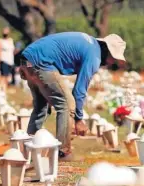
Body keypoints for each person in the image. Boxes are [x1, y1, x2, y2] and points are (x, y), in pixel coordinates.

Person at [18, 32, 126, 161]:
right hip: (41, 63)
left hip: (27, 61)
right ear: (107, 51)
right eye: (113, 58)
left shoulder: (89, 44)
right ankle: (63, 152)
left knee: (41, 106)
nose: (111, 62)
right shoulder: (94, 56)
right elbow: (79, 90)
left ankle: (29, 148)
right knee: (66, 104)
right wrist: (78, 119)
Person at [0, 27, 15, 92]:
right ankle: (1, 90)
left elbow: (12, 51)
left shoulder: (11, 40)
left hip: (10, 61)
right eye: (4, 31)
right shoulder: (0, 41)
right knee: (3, 76)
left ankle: (4, 90)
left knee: (8, 77)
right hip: (3, 60)